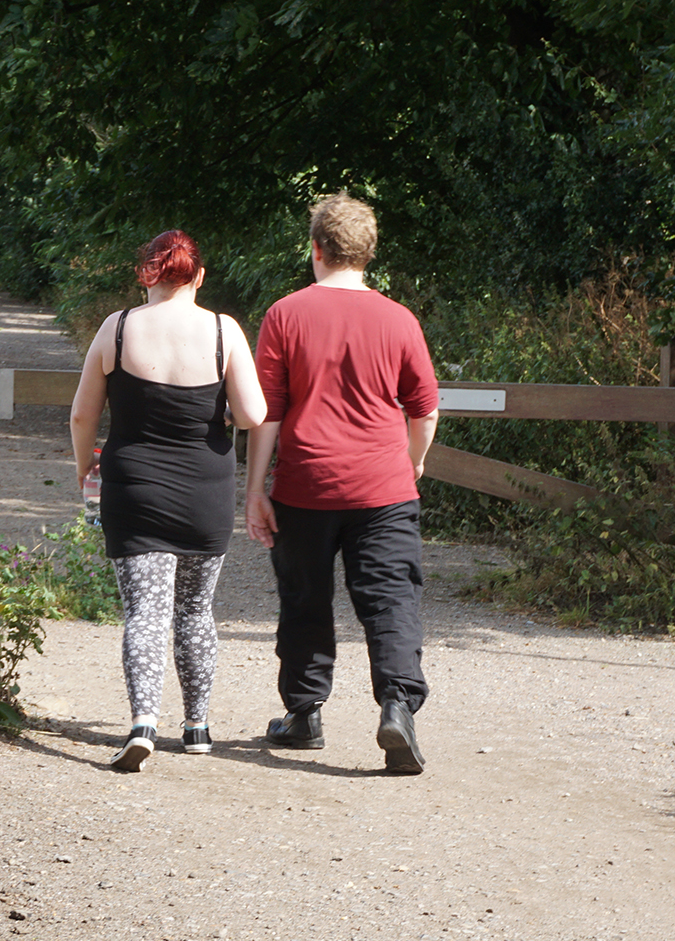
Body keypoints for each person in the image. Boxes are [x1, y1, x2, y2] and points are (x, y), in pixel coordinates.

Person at [245, 192, 440, 774]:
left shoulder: (285, 314)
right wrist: (411, 464)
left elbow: (267, 413)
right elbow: (424, 409)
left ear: (316, 249)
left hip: (305, 485)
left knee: (305, 600)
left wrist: (256, 488)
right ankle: (398, 709)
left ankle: (304, 715)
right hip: (384, 488)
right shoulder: (399, 318)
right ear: (367, 253)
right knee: (391, 600)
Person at [70, 230, 267, 772]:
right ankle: (198, 725)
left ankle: (143, 723)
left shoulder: (119, 327)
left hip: (135, 485)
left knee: (144, 611)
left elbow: (83, 415)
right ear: (198, 276)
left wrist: (83, 464)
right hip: (206, 488)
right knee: (196, 610)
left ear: (146, 274)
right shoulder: (225, 332)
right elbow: (253, 414)